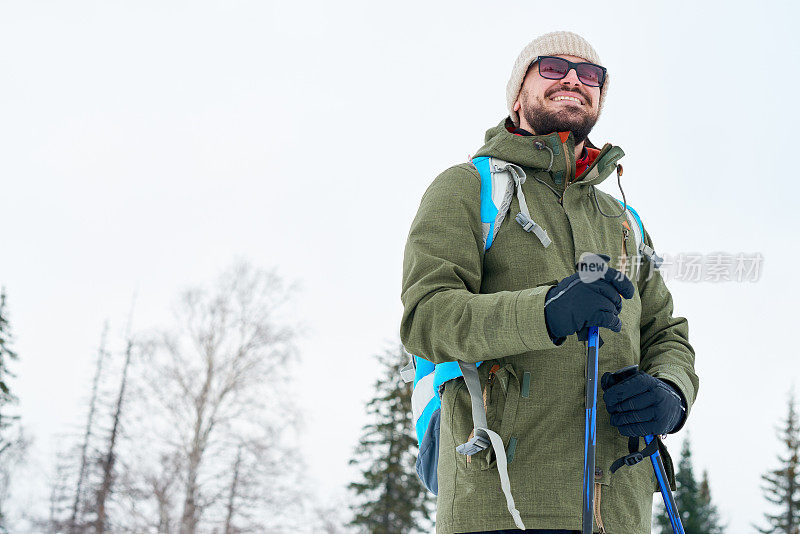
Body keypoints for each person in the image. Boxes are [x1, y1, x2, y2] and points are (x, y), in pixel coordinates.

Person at [400, 30, 699, 534]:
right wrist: (544, 312)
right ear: (519, 93)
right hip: (502, 504)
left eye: (591, 75)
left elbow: (666, 332)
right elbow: (426, 316)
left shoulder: (623, 221)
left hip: (620, 511)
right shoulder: (468, 188)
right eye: (554, 67)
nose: (574, 81)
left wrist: (670, 392)